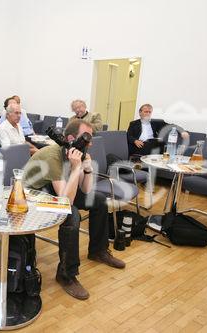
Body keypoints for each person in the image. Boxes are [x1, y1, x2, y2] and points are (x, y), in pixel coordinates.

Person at [23, 119, 125, 300]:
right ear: (71, 138)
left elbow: (86, 190)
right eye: (86, 139)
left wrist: (86, 170)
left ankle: (98, 250)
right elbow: (66, 202)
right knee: (72, 216)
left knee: (99, 201)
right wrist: (77, 167)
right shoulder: (52, 156)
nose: (91, 143)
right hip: (33, 196)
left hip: (57, 189)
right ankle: (66, 273)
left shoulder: (76, 154)